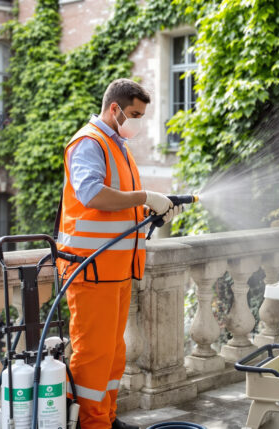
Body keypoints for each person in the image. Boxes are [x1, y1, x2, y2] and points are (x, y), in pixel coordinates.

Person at [55, 78, 181, 429]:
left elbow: (118, 209)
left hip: (115, 269)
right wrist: (145, 198)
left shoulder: (117, 145)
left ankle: (107, 418)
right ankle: (91, 424)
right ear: (114, 109)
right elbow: (92, 195)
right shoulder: (88, 143)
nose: (138, 122)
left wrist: (151, 210)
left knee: (113, 354)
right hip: (90, 270)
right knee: (93, 355)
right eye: (134, 114)